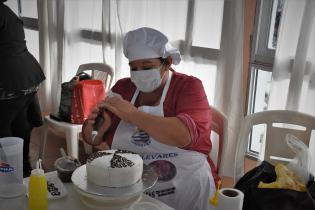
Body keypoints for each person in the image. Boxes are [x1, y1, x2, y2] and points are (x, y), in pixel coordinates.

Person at [82, 27, 217, 210]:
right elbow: (101, 143)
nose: (139, 74)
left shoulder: (189, 87)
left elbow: (183, 135)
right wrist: (94, 131)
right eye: (134, 68)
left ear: (167, 62)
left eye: (147, 67)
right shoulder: (123, 88)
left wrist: (133, 115)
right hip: (135, 183)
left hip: (186, 184)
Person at [0, 1, 45, 177]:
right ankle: (24, 169)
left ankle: (9, 172)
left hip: (10, 78)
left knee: (2, 125)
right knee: (20, 122)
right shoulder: (6, 11)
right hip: (28, 74)